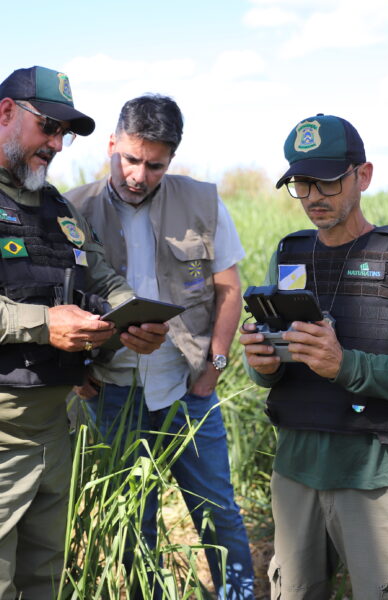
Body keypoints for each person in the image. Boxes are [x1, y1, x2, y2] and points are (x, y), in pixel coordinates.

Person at [239, 113, 388, 599]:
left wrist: (346, 366)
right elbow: (271, 370)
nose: (314, 196)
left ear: (364, 175)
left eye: (328, 181)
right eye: (301, 183)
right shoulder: (289, 254)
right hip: (295, 469)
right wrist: (263, 362)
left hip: (373, 473)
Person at [65, 94, 254, 599]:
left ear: (171, 160)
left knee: (217, 512)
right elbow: (55, 301)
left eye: (154, 165)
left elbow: (229, 288)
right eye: (130, 159)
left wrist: (214, 365)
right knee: (133, 521)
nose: (138, 175)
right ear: (111, 144)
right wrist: (76, 374)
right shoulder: (72, 209)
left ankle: (237, 595)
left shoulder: (203, 202)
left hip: (187, 390)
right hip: (109, 394)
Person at [0, 66, 167, 600]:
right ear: (5, 112)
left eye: (62, 134)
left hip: (57, 429)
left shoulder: (61, 211)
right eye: (48, 127)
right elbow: (42, 320)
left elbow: (104, 278)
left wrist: (131, 320)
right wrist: (42, 324)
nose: (55, 145)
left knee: (44, 579)